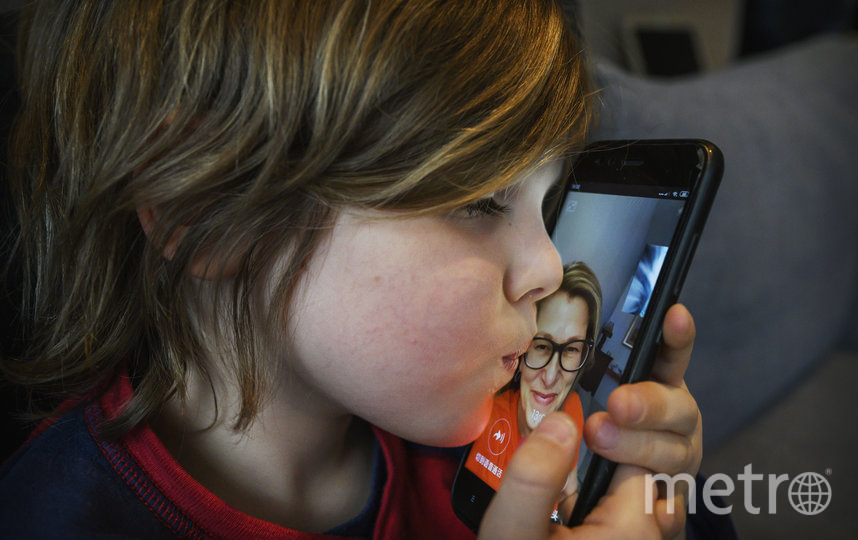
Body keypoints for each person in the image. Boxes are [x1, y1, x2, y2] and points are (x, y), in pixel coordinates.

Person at [0, 2, 706, 538]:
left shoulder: (491, 451)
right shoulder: (54, 514)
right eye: (479, 202)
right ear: (209, 213)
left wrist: (653, 495)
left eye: (548, 207)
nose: (549, 267)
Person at [466, 262, 600, 521]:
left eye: (571, 350)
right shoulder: (487, 418)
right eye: (541, 346)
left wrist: (581, 518)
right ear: (522, 347)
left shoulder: (572, 408)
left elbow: (567, 490)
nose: (550, 377)